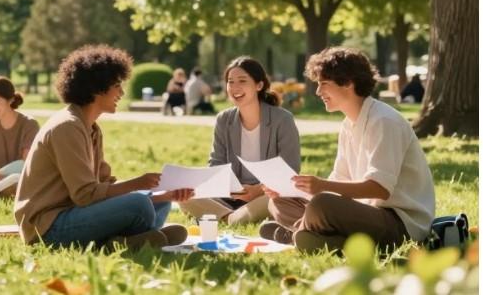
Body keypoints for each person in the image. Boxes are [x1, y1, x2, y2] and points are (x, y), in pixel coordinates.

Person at [14, 45, 192, 250]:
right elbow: (85, 195)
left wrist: (163, 195)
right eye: (117, 85)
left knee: (156, 201)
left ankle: (120, 243)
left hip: (75, 214)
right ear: (96, 87)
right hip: (48, 228)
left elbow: (106, 184)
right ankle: (120, 242)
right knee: (139, 204)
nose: (122, 92)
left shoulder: (91, 129)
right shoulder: (67, 127)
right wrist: (138, 184)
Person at [260, 47, 435, 253]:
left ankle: (299, 235)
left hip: (399, 223)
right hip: (363, 214)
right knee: (278, 201)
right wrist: (292, 190)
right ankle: (310, 236)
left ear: (349, 83)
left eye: (324, 84)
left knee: (322, 205)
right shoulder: (348, 124)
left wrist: (321, 187)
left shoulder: (384, 121)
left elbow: (379, 189)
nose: (318, 92)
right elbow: (340, 179)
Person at [178, 56, 300, 225]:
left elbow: (290, 169)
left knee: (278, 199)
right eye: (230, 82)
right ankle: (231, 217)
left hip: (266, 195)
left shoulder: (282, 119)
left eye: (242, 81)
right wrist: (224, 185)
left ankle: (224, 217)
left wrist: (257, 191)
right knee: (184, 195)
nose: (235, 88)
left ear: (259, 85)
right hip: (230, 196)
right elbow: (216, 162)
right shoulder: (224, 119)